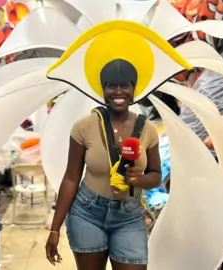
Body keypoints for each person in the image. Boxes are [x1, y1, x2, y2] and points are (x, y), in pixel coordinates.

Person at [45, 59, 162, 270]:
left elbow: (155, 176)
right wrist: (54, 230)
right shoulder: (84, 126)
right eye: (111, 86)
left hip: (129, 216)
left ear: (133, 88)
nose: (118, 92)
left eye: (124, 85)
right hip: (87, 213)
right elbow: (71, 178)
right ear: (103, 89)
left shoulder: (148, 129)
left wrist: (141, 179)